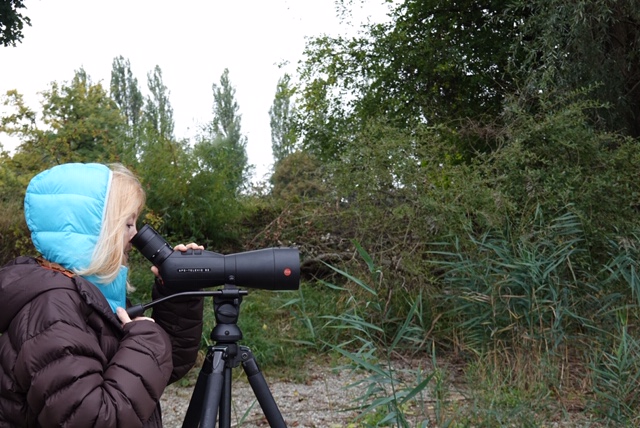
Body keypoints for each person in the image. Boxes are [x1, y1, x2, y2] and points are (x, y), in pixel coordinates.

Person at [0, 162, 204, 427]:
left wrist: (179, 294)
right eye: (128, 224)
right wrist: (145, 340)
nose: (135, 236)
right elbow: (96, 419)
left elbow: (156, 371)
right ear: (95, 231)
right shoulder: (54, 310)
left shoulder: (92, 295)